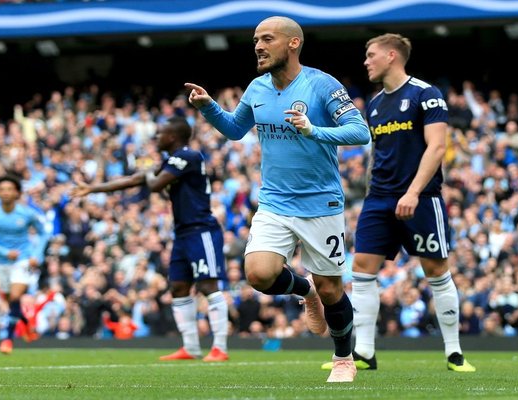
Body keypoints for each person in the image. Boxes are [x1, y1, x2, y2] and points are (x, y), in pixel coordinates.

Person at [185, 16, 371, 382]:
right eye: (255, 39)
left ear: (293, 43)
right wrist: (208, 107)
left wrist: (313, 129)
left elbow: (360, 131)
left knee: (333, 287)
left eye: (267, 39)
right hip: (274, 201)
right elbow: (236, 131)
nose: (258, 46)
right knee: (258, 273)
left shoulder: (320, 85)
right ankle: (305, 291)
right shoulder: (256, 88)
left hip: (321, 203)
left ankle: (343, 358)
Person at [321, 33, 475, 372]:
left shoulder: (426, 94)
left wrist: (413, 192)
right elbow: (378, 154)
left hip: (420, 198)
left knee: (435, 270)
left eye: (371, 54)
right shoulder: (375, 105)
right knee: (361, 267)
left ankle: (454, 353)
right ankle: (364, 352)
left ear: (392, 56)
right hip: (379, 199)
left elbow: (436, 148)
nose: (366, 61)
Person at [71, 116, 230, 362]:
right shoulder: (172, 161)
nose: (156, 138)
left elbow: (154, 185)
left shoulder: (188, 156)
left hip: (202, 230)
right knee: (178, 287)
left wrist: (147, 174)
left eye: (160, 134)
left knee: (207, 285)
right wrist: (93, 189)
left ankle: (219, 347)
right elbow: (135, 180)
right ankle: (190, 347)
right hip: (182, 232)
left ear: (173, 136)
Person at [0, 175, 50, 354]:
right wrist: (4, 252)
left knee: (14, 296)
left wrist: (37, 255)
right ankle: (27, 325)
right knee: (12, 300)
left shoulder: (27, 213)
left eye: (9, 189)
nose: (6, 193)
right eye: (2, 189)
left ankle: (7, 339)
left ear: (17, 193)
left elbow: (44, 233)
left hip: (23, 259)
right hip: (2, 262)